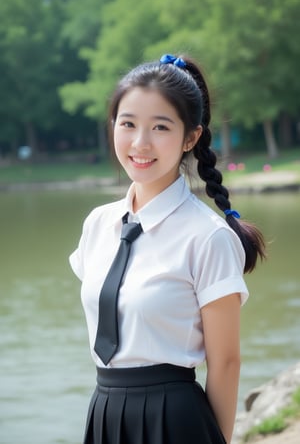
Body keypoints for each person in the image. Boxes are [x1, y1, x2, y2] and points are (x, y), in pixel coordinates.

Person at [69, 53, 266, 444]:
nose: (140, 143)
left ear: (190, 137)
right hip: (105, 409)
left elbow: (225, 363)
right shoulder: (98, 225)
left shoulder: (207, 237)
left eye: (160, 127)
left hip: (174, 420)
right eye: (128, 124)